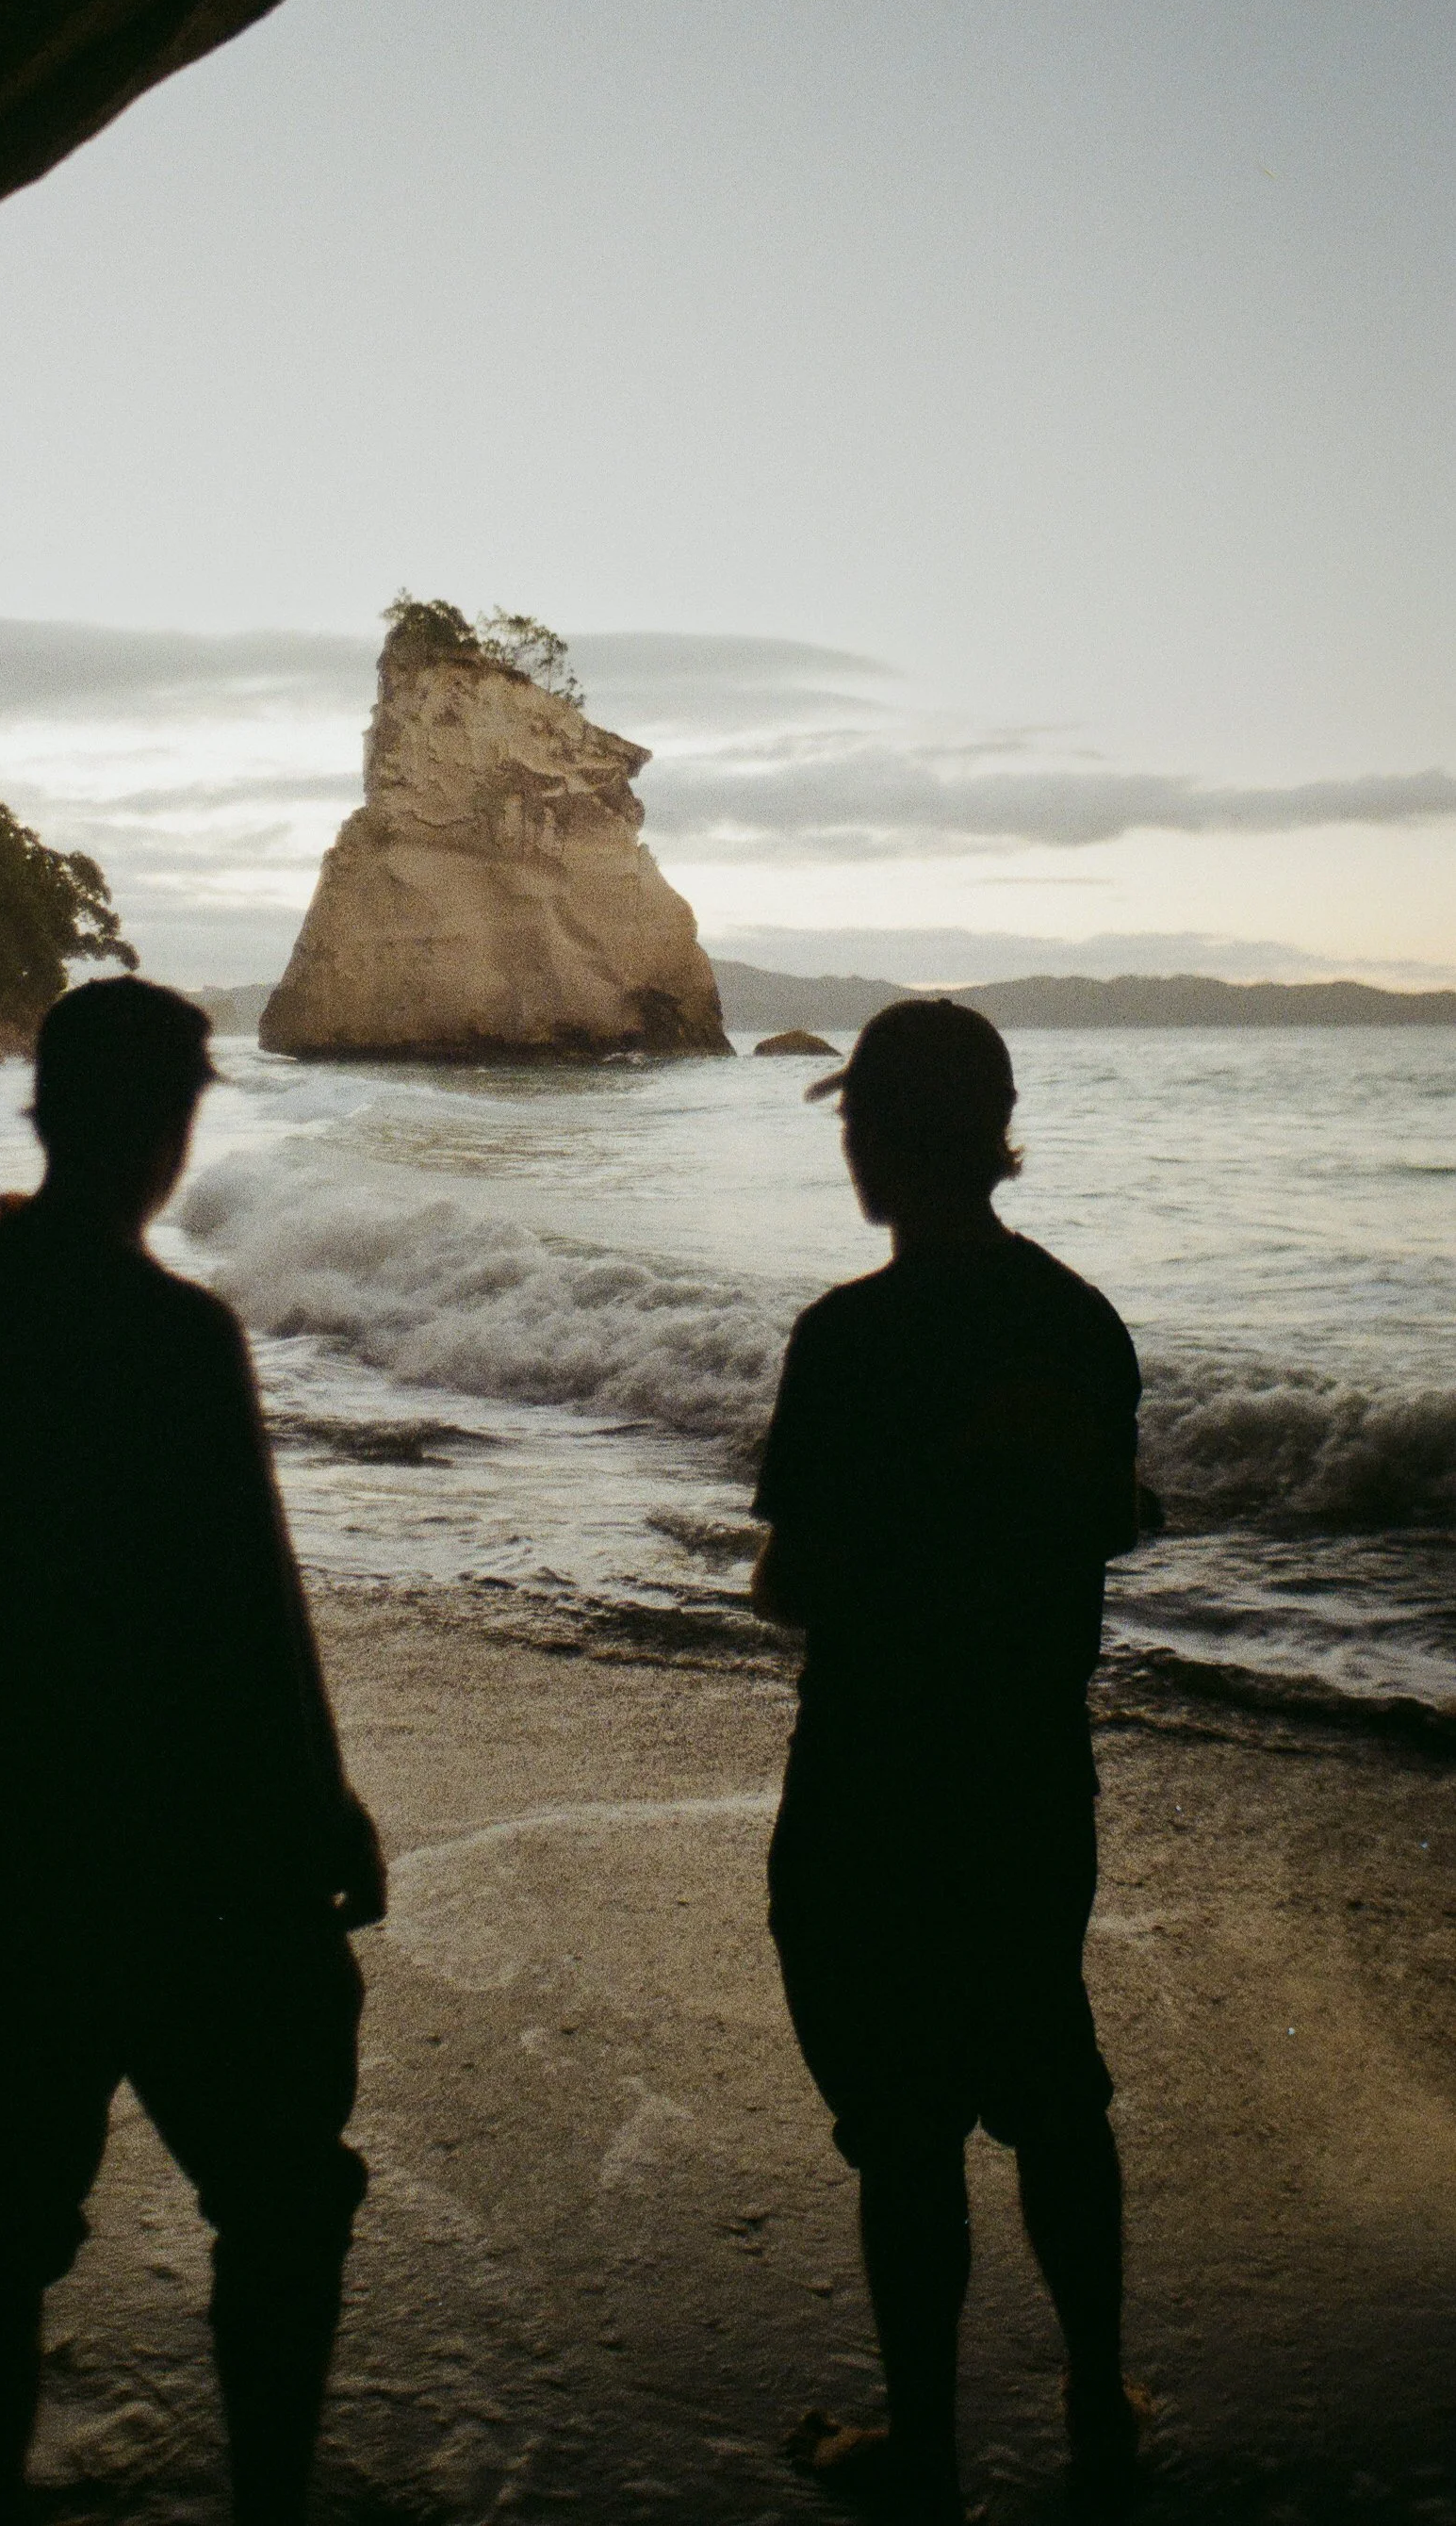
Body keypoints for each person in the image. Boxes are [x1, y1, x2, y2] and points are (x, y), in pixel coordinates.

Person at [0, 977, 384, 2525]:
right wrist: (324, 1813)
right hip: (205, 1861)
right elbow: (250, 1618)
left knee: (0, 2215)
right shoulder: (174, 1335)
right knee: (280, 2200)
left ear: (43, 1108)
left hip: (24, 1852)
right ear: (170, 1129)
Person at [750, 1000, 1144, 2525]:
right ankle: (1096, 2398)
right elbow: (1101, 1519)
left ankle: (923, 2444)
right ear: (994, 1133)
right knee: (1053, 2086)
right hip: (1029, 1768)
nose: (844, 1138)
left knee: (903, 2134)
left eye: (856, 1119)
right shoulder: (1079, 1319)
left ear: (883, 1140)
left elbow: (796, 1584)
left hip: (869, 1780)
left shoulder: (845, 1340)